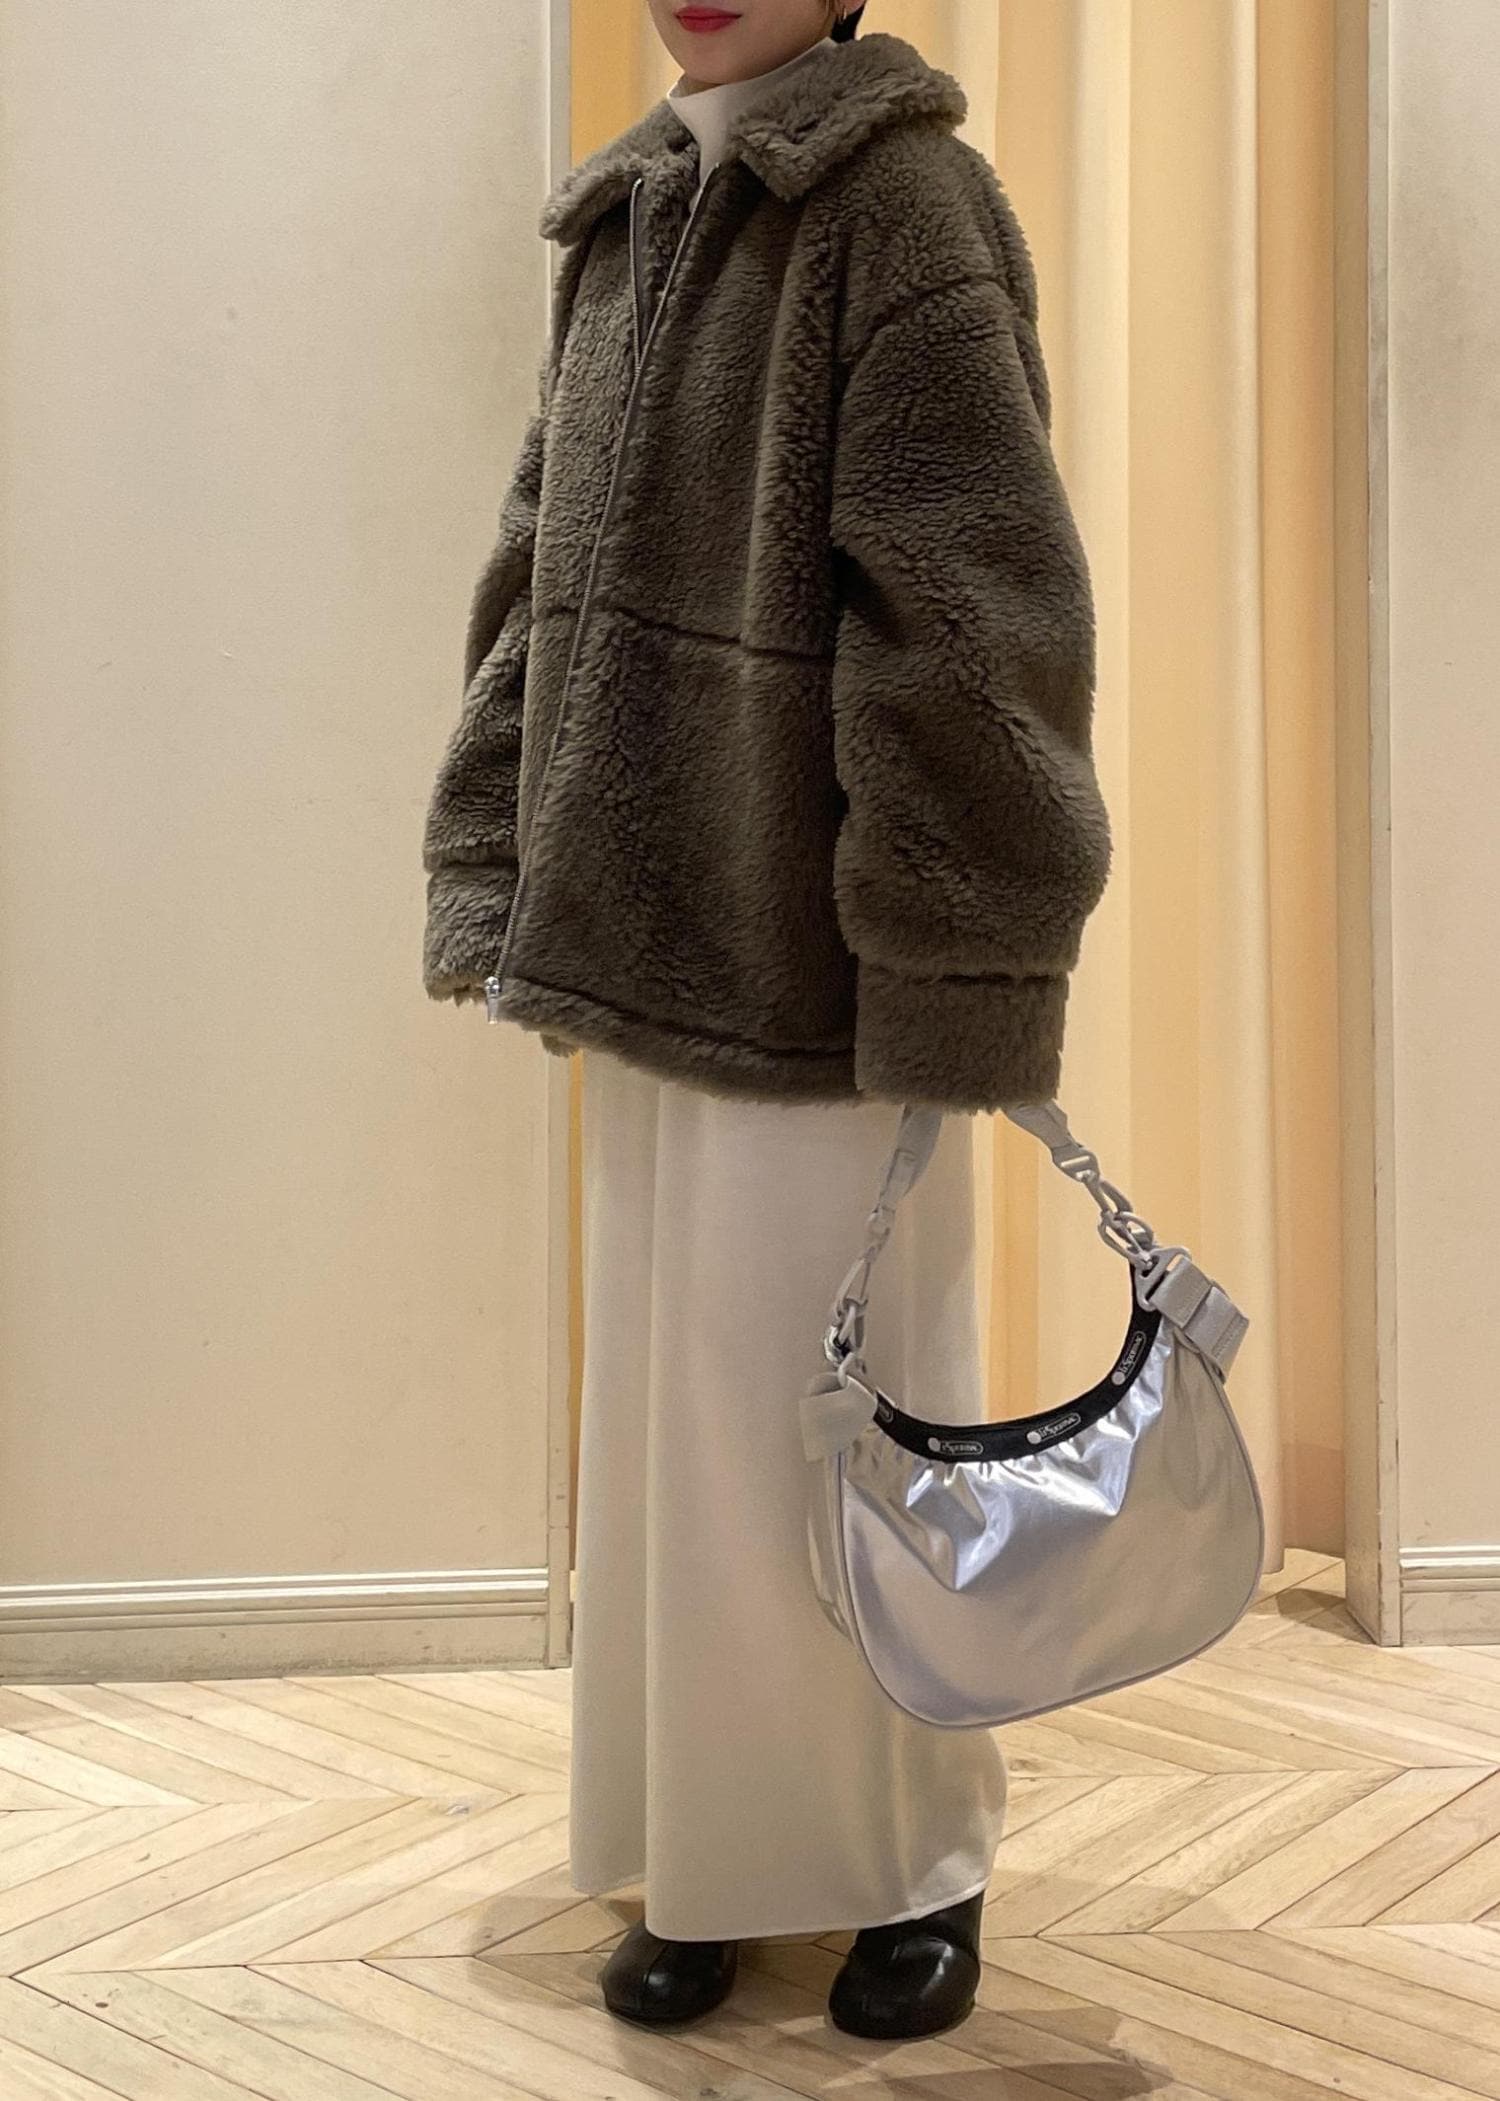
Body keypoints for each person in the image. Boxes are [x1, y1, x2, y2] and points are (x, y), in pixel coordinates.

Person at [420, 0, 1111, 2044]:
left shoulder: (909, 204)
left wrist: (959, 962)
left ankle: (914, 1861)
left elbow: (981, 622)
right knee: (684, 1447)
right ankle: (708, 1858)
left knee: (860, 1433)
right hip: (641, 944)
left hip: (830, 972)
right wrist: (498, 852)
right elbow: (538, 575)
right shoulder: (628, 214)